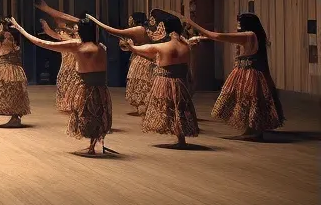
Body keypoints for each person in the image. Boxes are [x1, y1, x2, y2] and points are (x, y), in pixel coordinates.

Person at [11, 16, 112, 156]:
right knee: (99, 114)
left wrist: (20, 29)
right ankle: (93, 144)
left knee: (87, 115)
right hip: (101, 87)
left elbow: (42, 42)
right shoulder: (101, 47)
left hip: (87, 87)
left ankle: (92, 147)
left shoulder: (78, 45)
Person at [183, 10, 284, 140]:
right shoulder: (250, 35)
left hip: (250, 73)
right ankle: (251, 130)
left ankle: (254, 132)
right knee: (246, 101)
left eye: (240, 22)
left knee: (250, 101)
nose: (237, 25)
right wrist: (200, 37)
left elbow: (218, 36)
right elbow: (221, 37)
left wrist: (193, 24)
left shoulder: (249, 35)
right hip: (246, 71)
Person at [117, 14, 199, 148]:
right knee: (179, 107)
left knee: (170, 107)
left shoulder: (164, 46)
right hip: (181, 82)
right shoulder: (186, 46)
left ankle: (180, 138)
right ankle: (180, 137)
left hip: (165, 81)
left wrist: (131, 47)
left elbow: (142, 49)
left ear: (167, 30)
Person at [87, 12, 157, 115]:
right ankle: (145, 108)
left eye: (131, 18)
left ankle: (145, 108)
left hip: (141, 58)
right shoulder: (147, 30)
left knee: (141, 83)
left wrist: (97, 22)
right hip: (143, 57)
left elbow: (115, 31)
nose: (129, 20)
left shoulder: (139, 29)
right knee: (142, 83)